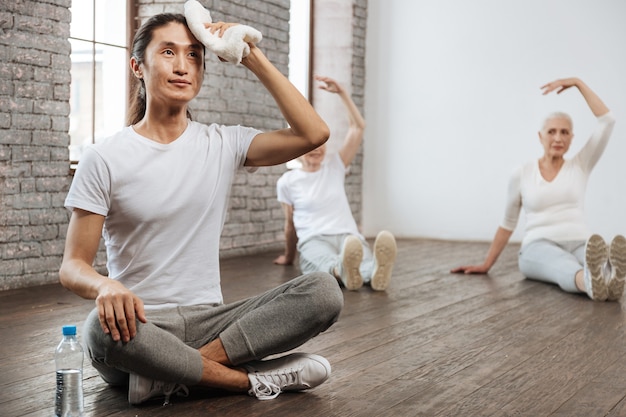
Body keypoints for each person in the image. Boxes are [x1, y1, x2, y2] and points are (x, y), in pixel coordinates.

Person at [58, 13, 345, 406]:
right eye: (169, 52)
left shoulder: (223, 144)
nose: (182, 65)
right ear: (137, 66)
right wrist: (106, 285)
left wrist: (249, 55)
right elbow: (73, 266)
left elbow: (315, 133)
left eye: (194, 55)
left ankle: (170, 376)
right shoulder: (104, 158)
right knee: (97, 330)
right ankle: (248, 381)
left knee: (324, 291)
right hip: (140, 328)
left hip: (212, 324)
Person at [451, 77, 625, 302]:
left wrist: (577, 83)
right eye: (552, 131)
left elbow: (607, 121)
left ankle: (609, 281)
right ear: (540, 136)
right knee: (564, 266)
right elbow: (507, 223)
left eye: (564, 132)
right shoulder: (522, 173)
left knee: (597, 264)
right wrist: (486, 264)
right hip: (538, 245)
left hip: (582, 242)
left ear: (572, 138)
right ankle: (592, 285)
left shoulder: (580, 165)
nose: (558, 138)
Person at [273, 76, 397, 291]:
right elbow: (290, 225)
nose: (317, 148)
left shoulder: (335, 167)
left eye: (321, 142)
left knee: (362, 260)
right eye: (310, 142)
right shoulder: (288, 181)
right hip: (314, 239)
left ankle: (372, 272)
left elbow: (358, 128)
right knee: (321, 262)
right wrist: (288, 256)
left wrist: (342, 93)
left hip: (348, 238)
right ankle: (348, 271)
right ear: (298, 147)